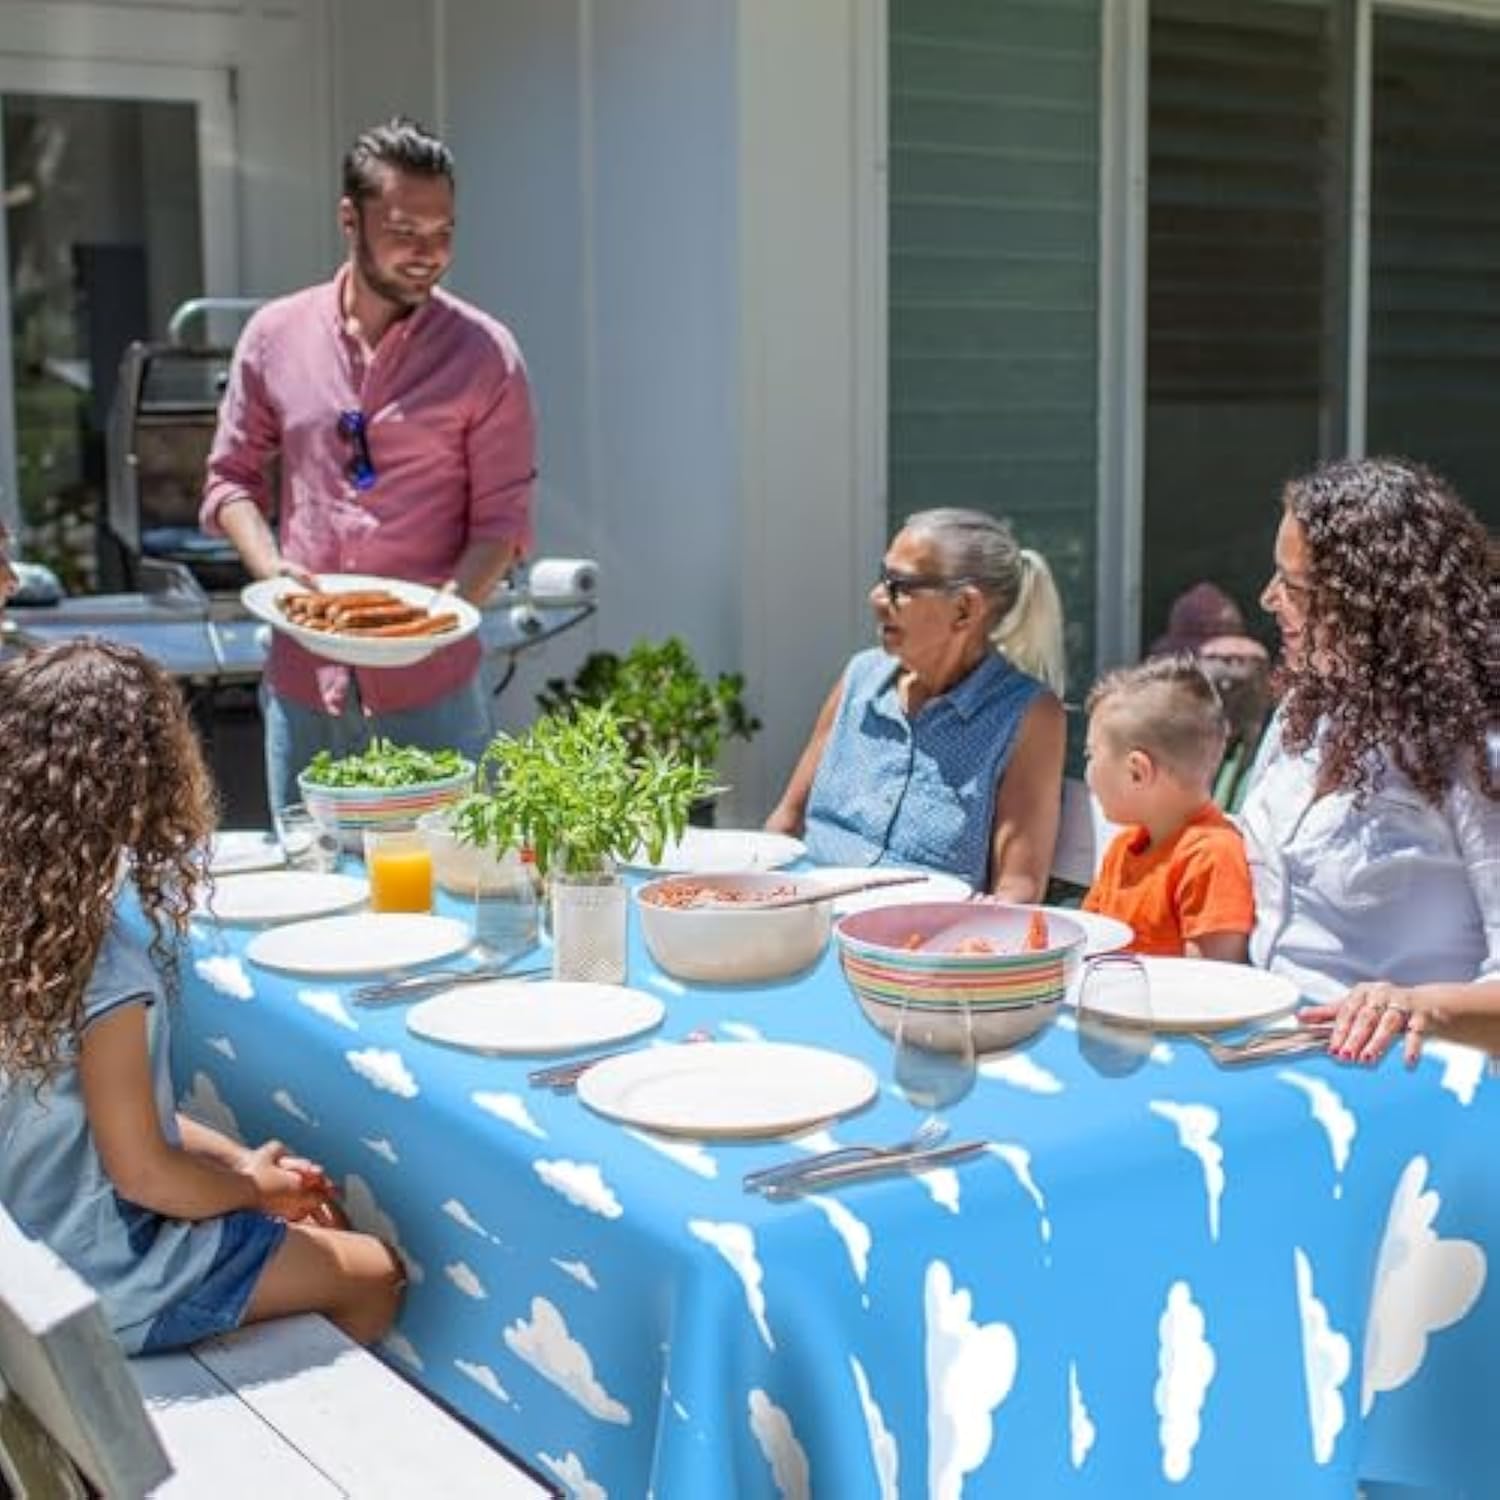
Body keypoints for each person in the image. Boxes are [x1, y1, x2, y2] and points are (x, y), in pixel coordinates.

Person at [0, 640, 403, 1354]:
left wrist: (244, 1168)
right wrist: (254, 1194)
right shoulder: (105, 969)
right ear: (146, 779)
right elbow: (147, 1173)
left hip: (31, 1260)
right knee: (375, 1271)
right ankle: (302, 1447)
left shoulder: (27, 928)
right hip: (103, 1284)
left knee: (295, 1228)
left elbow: (112, 1124)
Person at [202, 116, 537, 814]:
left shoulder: (486, 355)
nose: (428, 253)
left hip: (437, 691)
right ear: (349, 219)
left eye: (444, 232)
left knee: (451, 895)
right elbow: (229, 478)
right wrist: (271, 569)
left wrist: (441, 617)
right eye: (405, 231)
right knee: (310, 880)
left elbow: (502, 521)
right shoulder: (275, 337)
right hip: (303, 683)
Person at [1240, 456, 1498, 1011]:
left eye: (1296, 587)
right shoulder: (1301, 713)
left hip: (1404, 1078)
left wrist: (1415, 1006)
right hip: (1263, 1051)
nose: (1268, 599)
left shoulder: (1478, 752)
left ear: (1376, 608)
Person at [766, 508, 1067, 899]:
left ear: (964, 609)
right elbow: (786, 822)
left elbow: (1018, 887)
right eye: (883, 578)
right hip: (806, 917)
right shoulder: (860, 677)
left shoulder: (1026, 715)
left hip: (915, 943)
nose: (876, 598)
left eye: (900, 586)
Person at [1081, 656, 1254, 959]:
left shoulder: (1211, 857)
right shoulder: (1123, 848)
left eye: (1091, 754)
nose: (1088, 771)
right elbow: (1085, 942)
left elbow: (1213, 982)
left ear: (1137, 772)